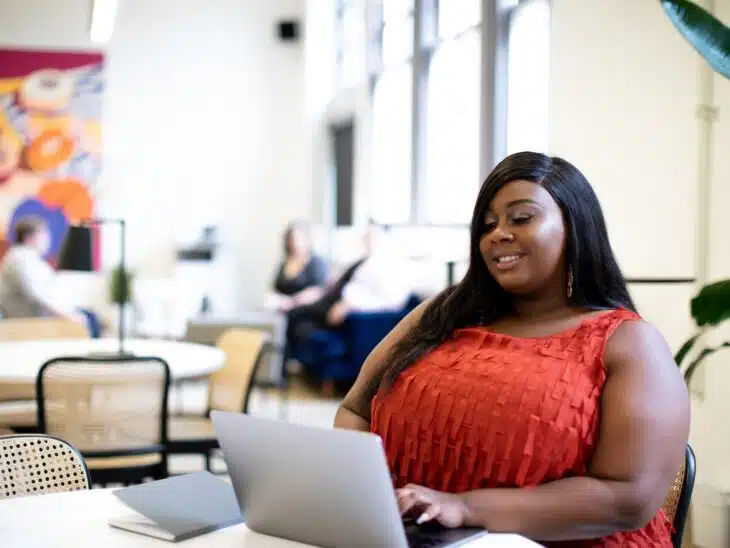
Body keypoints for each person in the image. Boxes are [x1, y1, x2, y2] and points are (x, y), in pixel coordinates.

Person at [333, 152, 690, 547]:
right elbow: (354, 410)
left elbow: (628, 499)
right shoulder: (442, 314)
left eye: (521, 218)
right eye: (488, 225)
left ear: (575, 226)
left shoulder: (629, 343)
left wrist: (466, 508)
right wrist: (367, 496)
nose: (498, 233)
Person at [286, 221, 412, 348]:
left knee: (295, 315)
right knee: (296, 318)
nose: (366, 239)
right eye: (366, 235)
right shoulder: (366, 261)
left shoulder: (390, 265)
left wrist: (348, 305)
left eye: (372, 235)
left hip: (345, 312)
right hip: (331, 301)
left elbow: (391, 300)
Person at [0, 218, 84, 323]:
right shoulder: (20, 259)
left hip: (40, 320)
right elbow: (37, 295)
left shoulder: (29, 257)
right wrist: (69, 316)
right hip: (27, 325)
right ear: (30, 237)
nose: (48, 241)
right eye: (44, 236)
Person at [263, 220, 329, 313]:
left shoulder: (316, 262)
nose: (295, 242)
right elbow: (275, 289)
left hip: (307, 311)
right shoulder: (284, 263)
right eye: (291, 239)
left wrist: (292, 302)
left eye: (298, 238)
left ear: (308, 240)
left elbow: (318, 290)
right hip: (282, 310)